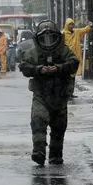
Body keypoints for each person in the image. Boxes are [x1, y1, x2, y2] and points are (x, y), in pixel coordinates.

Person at [20, 20, 79, 166]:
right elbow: (24, 66)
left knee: (59, 126)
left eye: (51, 38)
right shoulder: (33, 52)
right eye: (44, 38)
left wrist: (58, 68)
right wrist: (39, 69)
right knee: (38, 120)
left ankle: (55, 155)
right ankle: (39, 150)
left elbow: (73, 64)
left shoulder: (64, 50)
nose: (47, 42)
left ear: (57, 37)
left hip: (60, 94)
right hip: (41, 94)